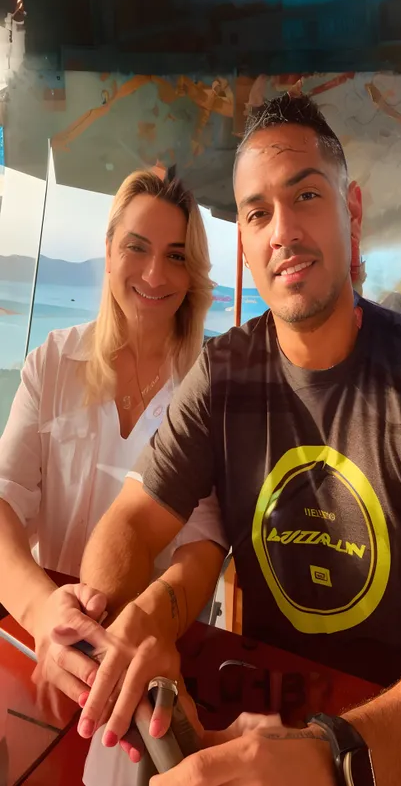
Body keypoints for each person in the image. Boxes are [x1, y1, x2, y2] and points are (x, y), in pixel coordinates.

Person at [69, 93, 401, 786]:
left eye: (305, 195)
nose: (281, 229)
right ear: (245, 244)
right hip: (259, 722)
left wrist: (329, 755)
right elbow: (132, 523)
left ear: (351, 212)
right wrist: (122, 628)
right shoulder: (226, 372)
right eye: (257, 212)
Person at [0, 169, 228, 784]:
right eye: (136, 247)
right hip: (48, 652)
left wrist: (144, 624)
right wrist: (43, 611)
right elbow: (2, 505)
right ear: (107, 251)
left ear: (193, 274)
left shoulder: (208, 388)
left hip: (151, 669)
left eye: (176, 256)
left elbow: (206, 545)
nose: (155, 275)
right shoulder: (50, 363)